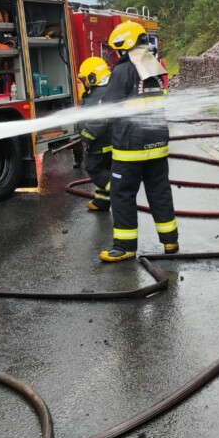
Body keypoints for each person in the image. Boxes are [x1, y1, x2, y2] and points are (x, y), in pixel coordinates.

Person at [98, 21, 179, 262]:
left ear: (124, 45)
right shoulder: (153, 69)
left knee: (122, 194)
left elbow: (110, 108)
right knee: (160, 192)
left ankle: (124, 247)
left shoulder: (122, 70)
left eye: (117, 50)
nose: (117, 55)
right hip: (157, 145)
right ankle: (170, 241)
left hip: (130, 149)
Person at [76, 56, 114, 212]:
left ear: (93, 77)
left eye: (84, 79)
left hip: (99, 146)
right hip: (111, 145)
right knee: (106, 169)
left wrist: (85, 136)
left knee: (94, 169)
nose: (83, 83)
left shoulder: (95, 97)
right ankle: (102, 202)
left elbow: (96, 124)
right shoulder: (109, 90)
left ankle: (117, 189)